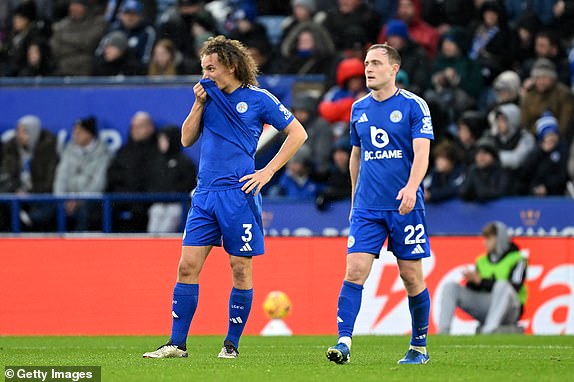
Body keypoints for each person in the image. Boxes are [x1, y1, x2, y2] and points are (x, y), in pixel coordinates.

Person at [142, 35, 307, 359]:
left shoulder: (258, 99)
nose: (205, 74)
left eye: (211, 68)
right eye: (203, 67)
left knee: (240, 268)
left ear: (230, 66)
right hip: (204, 194)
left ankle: (230, 345)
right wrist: (198, 103)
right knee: (187, 266)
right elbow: (187, 139)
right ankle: (177, 344)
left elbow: (298, 133)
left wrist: (267, 171)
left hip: (239, 194)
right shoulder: (208, 97)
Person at [326, 43, 434, 365]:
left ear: (393, 69)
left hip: (405, 205)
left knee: (411, 276)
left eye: (375, 63)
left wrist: (412, 188)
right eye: (366, 63)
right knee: (355, 270)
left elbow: (422, 153)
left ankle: (419, 347)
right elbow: (356, 155)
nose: (368, 69)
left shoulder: (415, 107)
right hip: (367, 208)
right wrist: (354, 197)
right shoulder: (359, 108)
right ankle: (343, 343)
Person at [438, 221, 527, 334]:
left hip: (511, 310)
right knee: (450, 287)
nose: (485, 243)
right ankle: (443, 333)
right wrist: (473, 281)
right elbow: (477, 289)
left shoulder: (518, 259)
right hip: (487, 308)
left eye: (489, 239)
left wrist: (482, 281)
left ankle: (489, 330)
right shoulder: (482, 261)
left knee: (503, 285)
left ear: (499, 239)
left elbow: (515, 286)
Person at [53, 116, 112, 231]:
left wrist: (79, 201)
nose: (75, 134)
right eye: (74, 131)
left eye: (79, 132)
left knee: (85, 213)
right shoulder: (68, 151)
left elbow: (98, 184)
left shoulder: (103, 154)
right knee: (44, 214)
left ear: (90, 134)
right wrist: (63, 200)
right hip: (66, 200)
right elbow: (60, 179)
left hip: (90, 201)